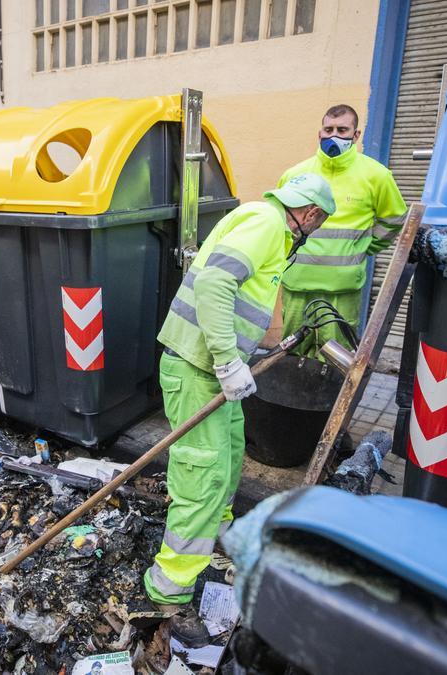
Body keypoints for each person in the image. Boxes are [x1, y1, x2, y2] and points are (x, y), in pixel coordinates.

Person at [143, 174, 335, 646]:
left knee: (227, 461)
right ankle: (169, 591)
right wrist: (229, 360)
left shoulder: (265, 220)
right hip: (198, 368)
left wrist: (239, 356)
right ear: (309, 214)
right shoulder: (268, 222)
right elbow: (214, 283)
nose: (315, 229)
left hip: (210, 370)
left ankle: (218, 547)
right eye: (320, 222)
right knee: (202, 478)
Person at [277, 104, 407, 356]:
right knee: (292, 358)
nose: (334, 135)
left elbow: (395, 219)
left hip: (342, 289)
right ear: (320, 133)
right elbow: (280, 221)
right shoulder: (295, 175)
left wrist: (362, 249)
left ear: (356, 135)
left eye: (342, 129)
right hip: (297, 283)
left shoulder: (376, 176)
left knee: (335, 360)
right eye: (329, 129)